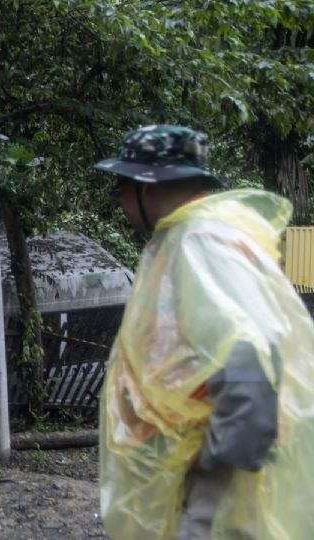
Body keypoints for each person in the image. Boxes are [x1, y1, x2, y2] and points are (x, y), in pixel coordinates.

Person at [93, 125, 314, 539]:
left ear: (148, 187)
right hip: (203, 460)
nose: (120, 198)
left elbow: (251, 343)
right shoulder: (201, 235)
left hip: (219, 472)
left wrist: (221, 454)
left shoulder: (199, 243)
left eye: (123, 185)